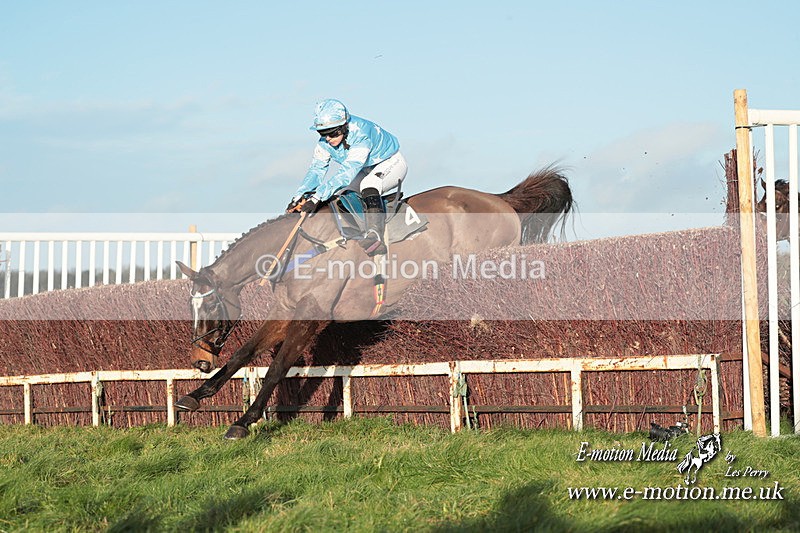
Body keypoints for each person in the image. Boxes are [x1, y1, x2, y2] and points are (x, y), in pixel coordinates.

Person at [287, 99, 407, 256]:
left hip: (391, 163)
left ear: (343, 127)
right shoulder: (324, 143)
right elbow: (316, 170)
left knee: (369, 185)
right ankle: (359, 232)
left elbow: (346, 173)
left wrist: (316, 198)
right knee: (342, 195)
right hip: (365, 169)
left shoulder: (361, 134)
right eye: (323, 133)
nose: (328, 138)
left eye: (332, 133)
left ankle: (375, 234)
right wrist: (300, 195)